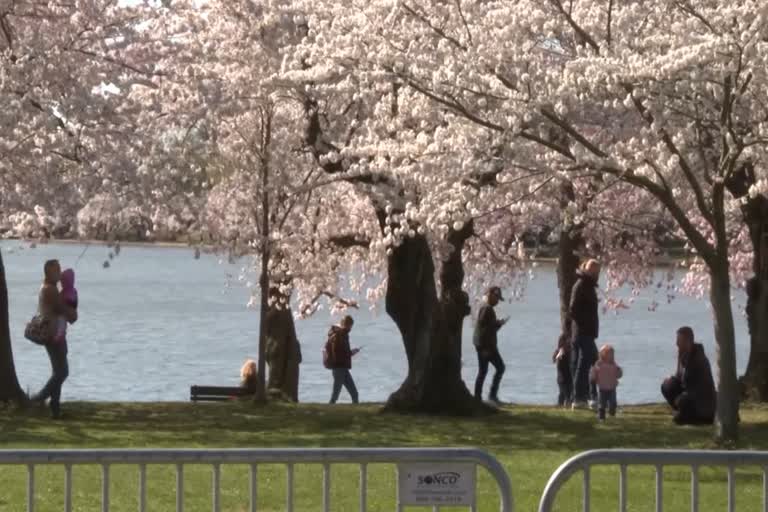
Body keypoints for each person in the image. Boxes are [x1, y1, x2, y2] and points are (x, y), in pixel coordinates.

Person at [30, 259, 77, 419]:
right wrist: (73, 312)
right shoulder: (50, 289)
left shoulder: (51, 288)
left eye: (59, 269)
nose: (60, 272)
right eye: (57, 270)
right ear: (49, 272)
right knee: (62, 372)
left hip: (56, 334)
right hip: (52, 335)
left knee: (57, 371)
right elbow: (62, 309)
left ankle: (55, 409)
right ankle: (39, 398)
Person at [661, 327, 716, 425]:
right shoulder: (684, 355)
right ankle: (682, 412)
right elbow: (679, 377)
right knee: (667, 386)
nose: (676, 343)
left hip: (701, 400)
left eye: (679, 340)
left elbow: (697, 387)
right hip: (690, 394)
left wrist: (683, 396)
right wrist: (671, 378)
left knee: (682, 402)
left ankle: (690, 415)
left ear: (688, 341)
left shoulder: (698, 359)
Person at [569, 259, 601, 410]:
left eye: (598, 271)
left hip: (588, 332)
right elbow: (572, 310)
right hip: (582, 332)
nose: (597, 274)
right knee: (585, 364)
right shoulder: (581, 285)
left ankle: (590, 397)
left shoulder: (588, 286)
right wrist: (585, 325)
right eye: (594, 271)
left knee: (592, 363)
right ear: (587, 270)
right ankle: (579, 398)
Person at [264, 288, 302, 402]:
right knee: (276, 377)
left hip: (277, 349)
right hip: (276, 350)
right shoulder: (272, 312)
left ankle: (281, 396)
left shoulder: (275, 311)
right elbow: (266, 328)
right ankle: (278, 396)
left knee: (279, 378)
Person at [473, 286, 508, 405]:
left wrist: (498, 324)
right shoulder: (487, 308)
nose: (497, 301)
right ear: (490, 295)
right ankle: (491, 396)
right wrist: (485, 348)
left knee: (483, 371)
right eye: (496, 298)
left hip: (485, 344)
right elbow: (483, 328)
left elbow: (487, 327)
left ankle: (479, 397)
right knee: (499, 368)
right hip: (486, 345)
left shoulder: (485, 308)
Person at [327, 315, 360, 404]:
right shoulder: (340, 335)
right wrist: (351, 353)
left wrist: (350, 352)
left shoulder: (341, 335)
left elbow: (341, 351)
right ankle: (330, 411)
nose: (350, 328)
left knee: (355, 393)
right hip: (339, 368)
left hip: (343, 368)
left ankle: (356, 411)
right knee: (335, 395)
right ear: (346, 324)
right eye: (350, 326)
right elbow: (340, 353)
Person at [590, 344, 623, 421]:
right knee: (602, 404)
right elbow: (594, 372)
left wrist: (619, 371)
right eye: (609, 354)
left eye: (612, 354)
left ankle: (612, 413)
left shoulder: (614, 365)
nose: (611, 356)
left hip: (612, 387)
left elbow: (618, 375)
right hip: (602, 388)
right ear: (603, 354)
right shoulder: (599, 364)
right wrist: (593, 377)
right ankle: (601, 416)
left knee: (613, 402)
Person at [53, 269, 78, 343]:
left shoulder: (68, 291)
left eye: (63, 281)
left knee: (61, 322)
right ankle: (60, 334)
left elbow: (69, 300)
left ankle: (60, 334)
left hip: (65, 312)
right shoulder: (71, 290)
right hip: (67, 311)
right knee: (62, 323)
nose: (61, 283)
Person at [553, 333, 572, 407]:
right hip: (562, 377)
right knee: (563, 392)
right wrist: (558, 355)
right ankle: (561, 404)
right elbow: (554, 359)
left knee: (566, 392)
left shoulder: (570, 351)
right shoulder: (559, 351)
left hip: (568, 377)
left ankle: (564, 403)